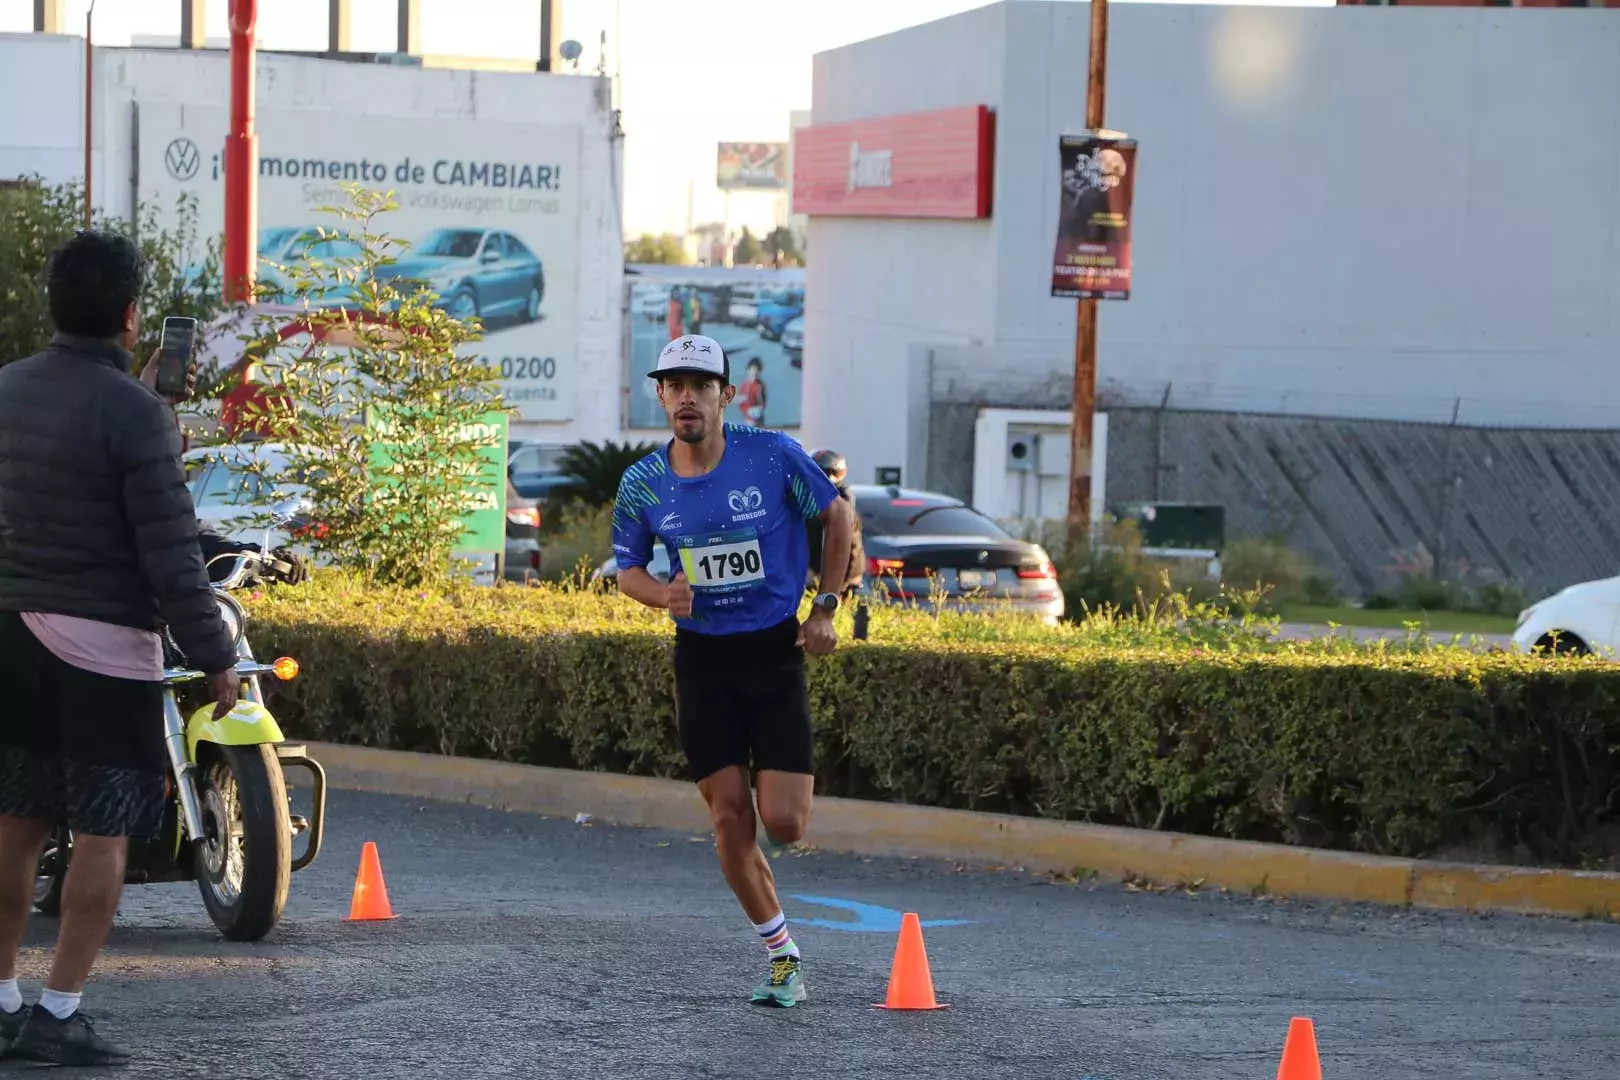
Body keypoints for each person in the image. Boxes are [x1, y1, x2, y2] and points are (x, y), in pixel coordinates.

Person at [0, 230, 239, 1066]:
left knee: (15, 821)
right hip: (101, 654)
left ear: (54, 304)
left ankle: (0, 1002)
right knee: (103, 836)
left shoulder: (7, 390)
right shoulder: (140, 414)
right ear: (133, 316)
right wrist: (216, 658)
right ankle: (59, 1013)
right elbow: (172, 553)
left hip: (11, 638)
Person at [611, 334, 854, 1009]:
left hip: (774, 654)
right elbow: (628, 570)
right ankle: (782, 956)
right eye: (674, 384)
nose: (687, 396)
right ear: (659, 395)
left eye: (701, 384)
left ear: (726, 395)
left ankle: (778, 907)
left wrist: (826, 607)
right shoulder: (643, 482)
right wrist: (662, 594)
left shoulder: (771, 456)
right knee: (727, 819)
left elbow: (838, 517)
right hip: (704, 662)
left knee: (785, 823)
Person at [805, 448, 864, 599]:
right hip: (816, 576)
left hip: (839, 581)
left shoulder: (841, 505)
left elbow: (850, 547)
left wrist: (840, 584)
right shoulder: (807, 500)